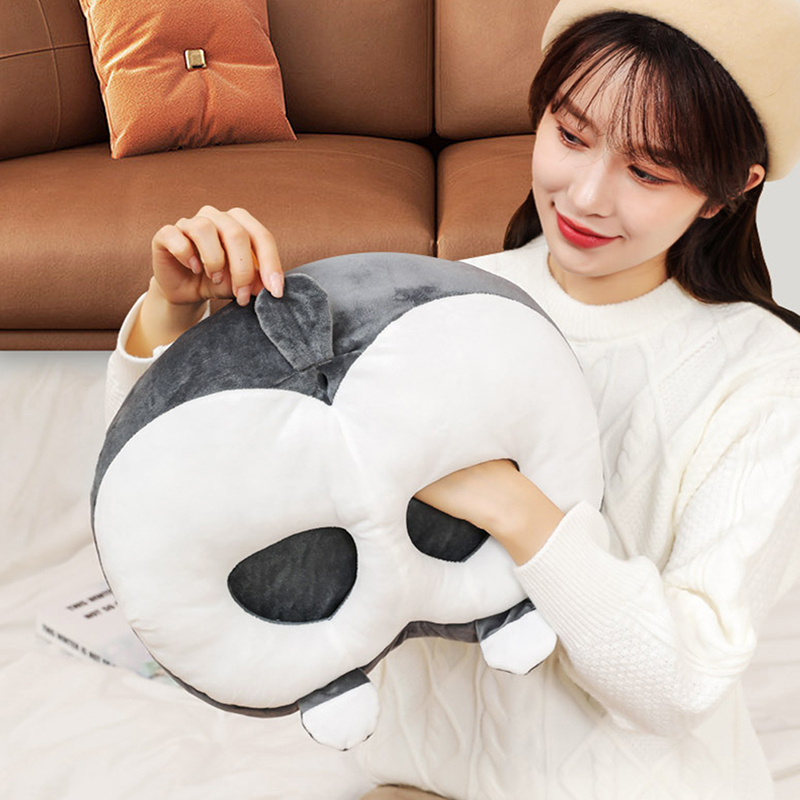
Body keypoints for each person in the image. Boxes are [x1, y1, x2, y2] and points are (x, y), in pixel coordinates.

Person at [104, 0, 800, 797]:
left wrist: (513, 505)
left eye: (647, 172)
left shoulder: (763, 372)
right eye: (571, 135)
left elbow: (680, 685)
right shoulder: (439, 303)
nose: (586, 195)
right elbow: (175, 510)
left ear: (727, 189)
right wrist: (174, 316)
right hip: (417, 780)